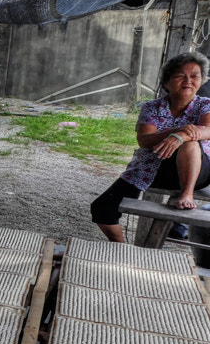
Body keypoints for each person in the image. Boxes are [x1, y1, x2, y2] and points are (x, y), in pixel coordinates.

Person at [90, 52, 210, 242]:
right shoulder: (152, 108)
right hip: (153, 170)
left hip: (197, 172)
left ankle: (187, 195)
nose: (188, 80)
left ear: (202, 81)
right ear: (166, 83)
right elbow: (145, 140)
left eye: (195, 75)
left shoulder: (206, 105)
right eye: (180, 75)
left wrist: (181, 136)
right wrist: (176, 129)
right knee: (102, 209)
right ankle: (122, 249)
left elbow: (208, 129)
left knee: (191, 145)